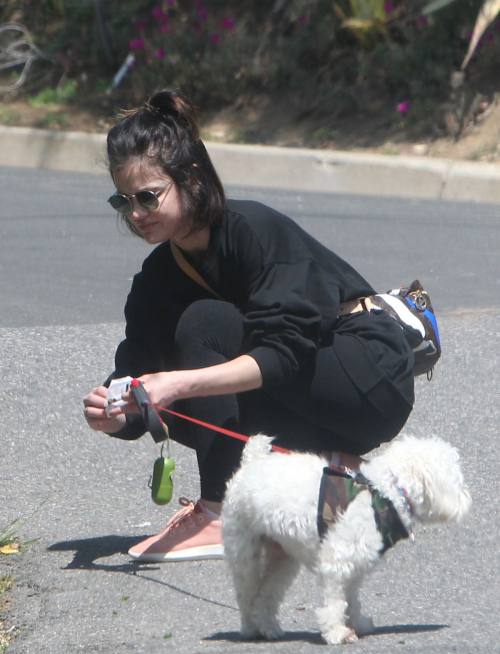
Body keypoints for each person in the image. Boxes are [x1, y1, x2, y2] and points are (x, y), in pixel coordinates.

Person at [83, 89, 415, 564]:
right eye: (123, 201)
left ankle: (222, 512)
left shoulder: (254, 229)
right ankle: (349, 482)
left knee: (203, 329)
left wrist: (179, 382)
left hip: (368, 376)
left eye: (148, 196)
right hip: (308, 402)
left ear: (190, 177)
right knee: (172, 391)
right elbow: (138, 372)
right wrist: (118, 410)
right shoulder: (156, 280)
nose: (135, 214)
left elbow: (285, 352)